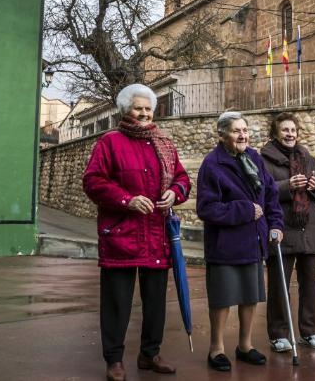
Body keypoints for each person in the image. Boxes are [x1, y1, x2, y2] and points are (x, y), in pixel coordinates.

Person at [82, 84, 192, 381]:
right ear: (125, 110)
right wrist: (126, 200)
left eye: (148, 108)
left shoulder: (164, 143)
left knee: (156, 300)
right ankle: (114, 359)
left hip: (157, 235)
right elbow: (93, 181)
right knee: (117, 301)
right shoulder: (110, 142)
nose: (144, 113)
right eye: (138, 108)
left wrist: (175, 192)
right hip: (122, 234)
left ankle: (149, 353)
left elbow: (182, 178)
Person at [196, 111, 285, 372]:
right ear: (222, 134)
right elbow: (206, 208)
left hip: (253, 241)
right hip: (225, 244)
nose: (243, 135)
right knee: (222, 299)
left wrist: (276, 224)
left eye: (245, 130)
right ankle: (217, 348)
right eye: (236, 131)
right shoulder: (212, 164)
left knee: (250, 296)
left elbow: (270, 196)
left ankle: (244, 346)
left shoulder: (254, 158)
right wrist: (244, 210)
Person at [260, 113, 315, 352]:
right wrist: (287, 185)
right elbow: (261, 191)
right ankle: (278, 334)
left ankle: (309, 332)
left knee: (310, 284)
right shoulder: (265, 160)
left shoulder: (308, 159)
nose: (290, 134)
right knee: (280, 284)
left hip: (309, 228)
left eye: (293, 130)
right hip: (282, 228)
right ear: (275, 133)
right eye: (285, 130)